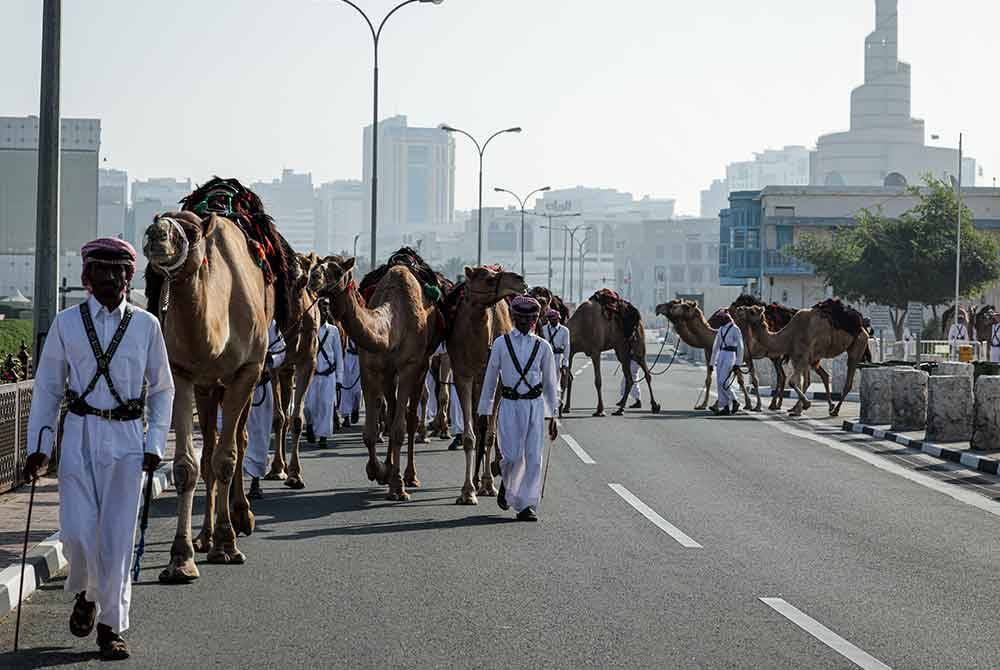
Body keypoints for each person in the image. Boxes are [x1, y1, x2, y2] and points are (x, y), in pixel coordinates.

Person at [23, 238, 174, 661]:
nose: (112, 278)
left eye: (120, 271)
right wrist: (40, 445)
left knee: (118, 538)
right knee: (76, 533)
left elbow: (163, 389)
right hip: (79, 437)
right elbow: (49, 388)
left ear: (130, 276)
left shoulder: (147, 326)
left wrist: (155, 442)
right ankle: (89, 592)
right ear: (88, 276)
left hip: (128, 442)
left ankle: (110, 625)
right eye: (102, 271)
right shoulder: (66, 324)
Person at [477, 295, 559, 522]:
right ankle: (506, 477)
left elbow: (552, 384)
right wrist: (484, 410)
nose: (524, 322)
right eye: (520, 318)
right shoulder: (501, 344)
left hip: (534, 406)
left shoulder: (544, 347)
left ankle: (526, 505)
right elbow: (491, 379)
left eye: (529, 318)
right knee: (512, 456)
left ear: (535, 320)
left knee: (533, 458)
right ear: (513, 318)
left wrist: (553, 417)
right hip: (510, 406)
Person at [245, 322, 286, 499]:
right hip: (235, 386)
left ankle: (255, 481)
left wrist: (271, 359)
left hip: (262, 386)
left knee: (260, 435)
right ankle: (232, 483)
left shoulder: (271, 324)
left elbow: (281, 350)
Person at [304, 314, 343, 448]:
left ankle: (323, 436)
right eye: (321, 306)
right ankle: (309, 425)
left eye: (326, 306)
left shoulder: (333, 330)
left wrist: (339, 378)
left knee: (326, 405)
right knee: (309, 406)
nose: (324, 309)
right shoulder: (310, 329)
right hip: (312, 375)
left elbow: (338, 355)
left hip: (328, 375)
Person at [710, 309, 744, 416]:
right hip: (721, 356)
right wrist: (711, 363)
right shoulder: (721, 329)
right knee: (719, 383)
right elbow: (715, 347)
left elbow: (740, 347)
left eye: (720, 319)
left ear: (725, 318)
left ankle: (735, 400)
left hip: (730, 356)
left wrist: (738, 363)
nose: (718, 321)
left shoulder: (735, 329)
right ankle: (726, 407)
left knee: (723, 382)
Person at [542, 308, 570, 406]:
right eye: (551, 319)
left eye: (555, 319)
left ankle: (556, 402)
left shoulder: (564, 330)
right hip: (546, 358)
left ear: (558, 319)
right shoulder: (544, 329)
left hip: (558, 358)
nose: (553, 321)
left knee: (556, 382)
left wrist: (565, 364)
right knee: (545, 382)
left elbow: (567, 348)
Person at [338, 336, 362, 426]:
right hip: (347, 358)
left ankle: (355, 408)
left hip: (359, 359)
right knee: (345, 390)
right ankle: (346, 417)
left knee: (358, 389)